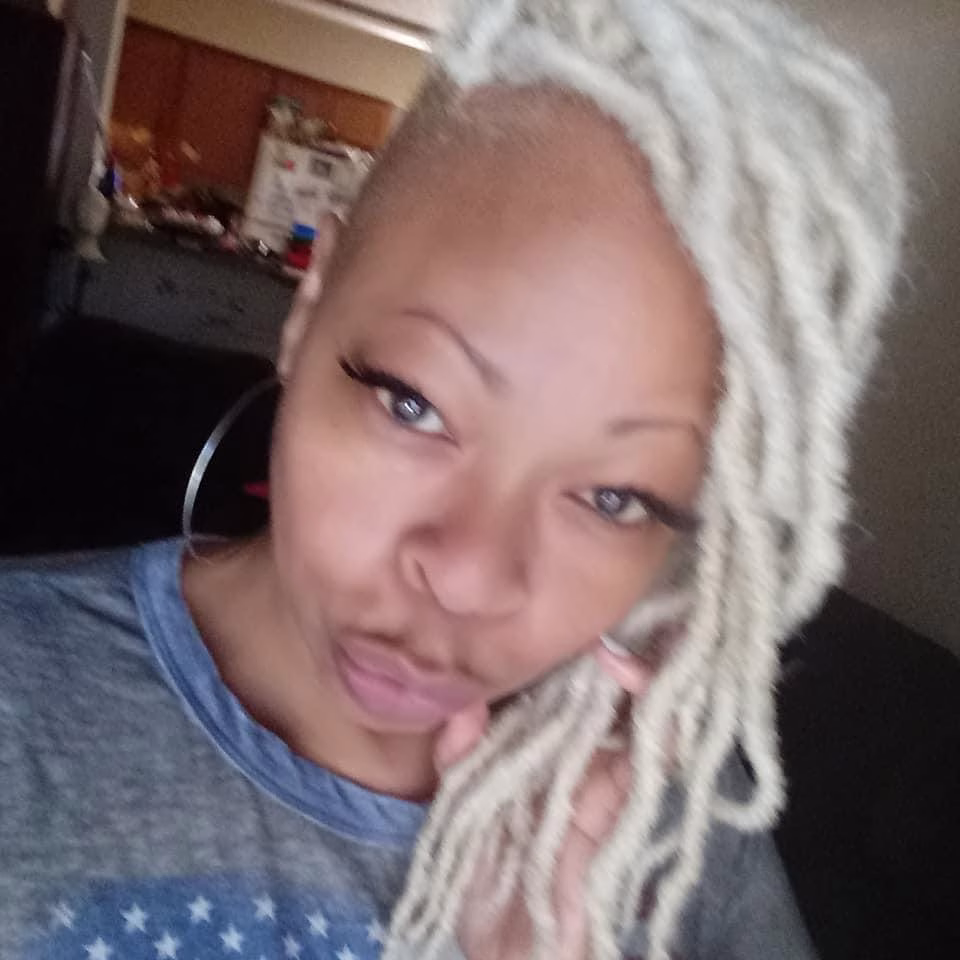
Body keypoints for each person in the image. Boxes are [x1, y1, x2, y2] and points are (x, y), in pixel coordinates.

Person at [0, 1, 905, 960]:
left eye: (616, 498)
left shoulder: (668, 813)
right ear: (309, 309)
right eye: (414, 403)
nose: (469, 576)